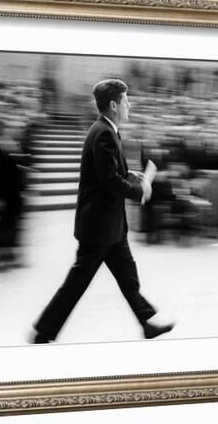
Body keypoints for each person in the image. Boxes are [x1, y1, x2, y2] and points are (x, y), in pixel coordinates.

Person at [29, 79, 175, 344]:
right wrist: (139, 191)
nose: (129, 105)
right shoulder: (104, 133)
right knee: (77, 282)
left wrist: (131, 174)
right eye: (126, 101)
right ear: (113, 105)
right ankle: (43, 331)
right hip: (99, 228)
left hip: (111, 226)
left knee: (128, 276)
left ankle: (146, 322)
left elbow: (109, 172)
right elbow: (108, 181)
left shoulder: (107, 130)